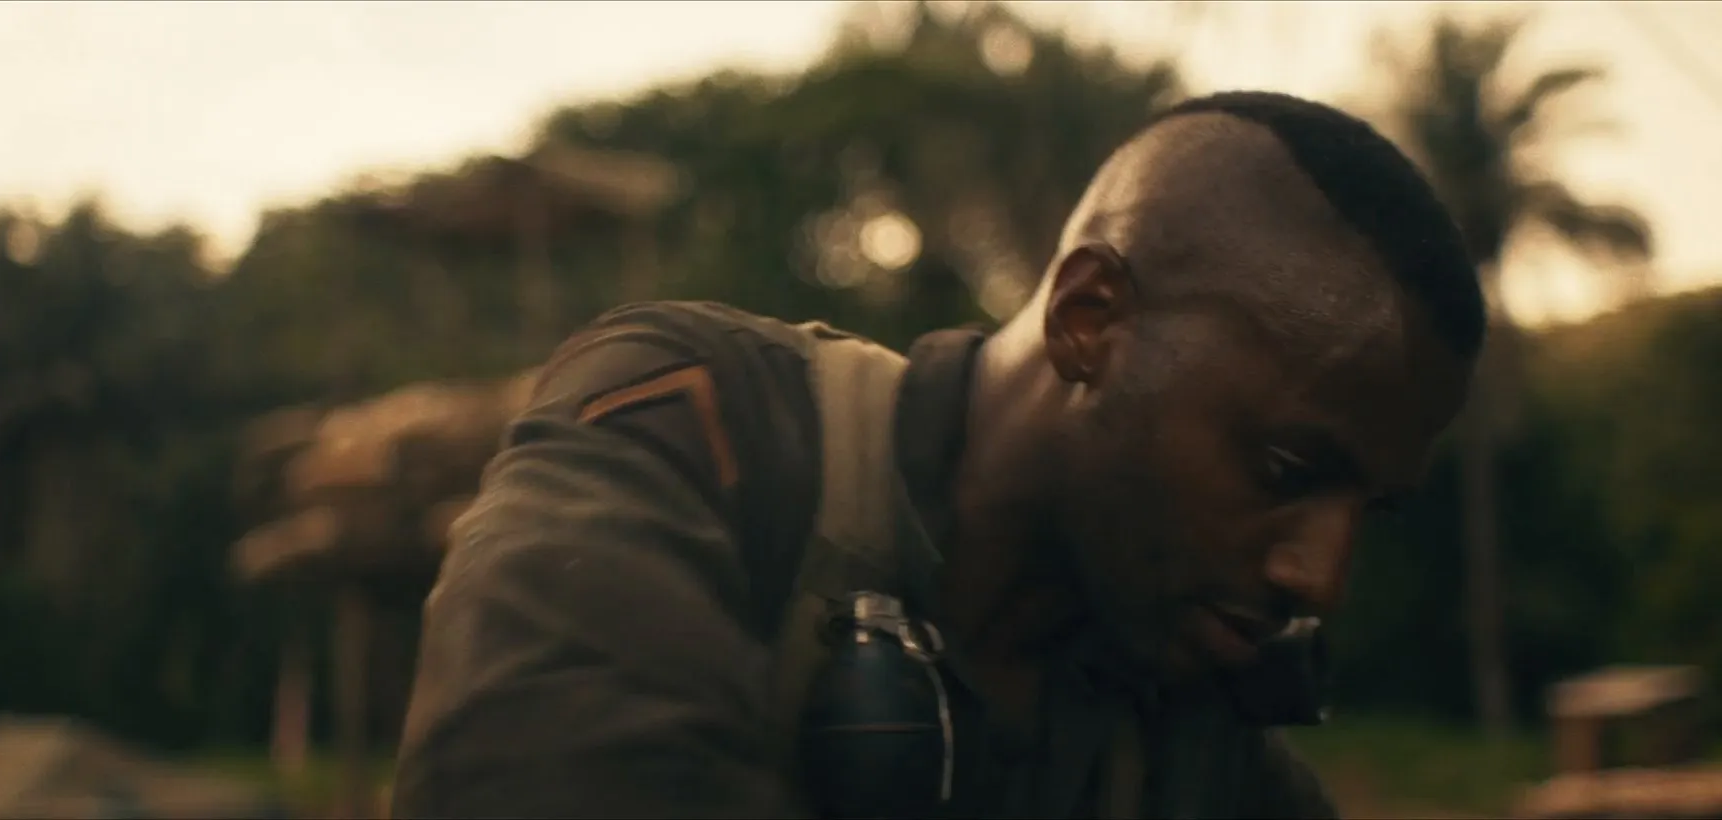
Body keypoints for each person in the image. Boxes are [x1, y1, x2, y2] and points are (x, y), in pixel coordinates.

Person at [390, 91, 1484, 819]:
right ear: (1090, 319)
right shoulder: (702, 423)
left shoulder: (1193, 735)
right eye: (1284, 471)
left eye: (1366, 510)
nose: (1318, 578)